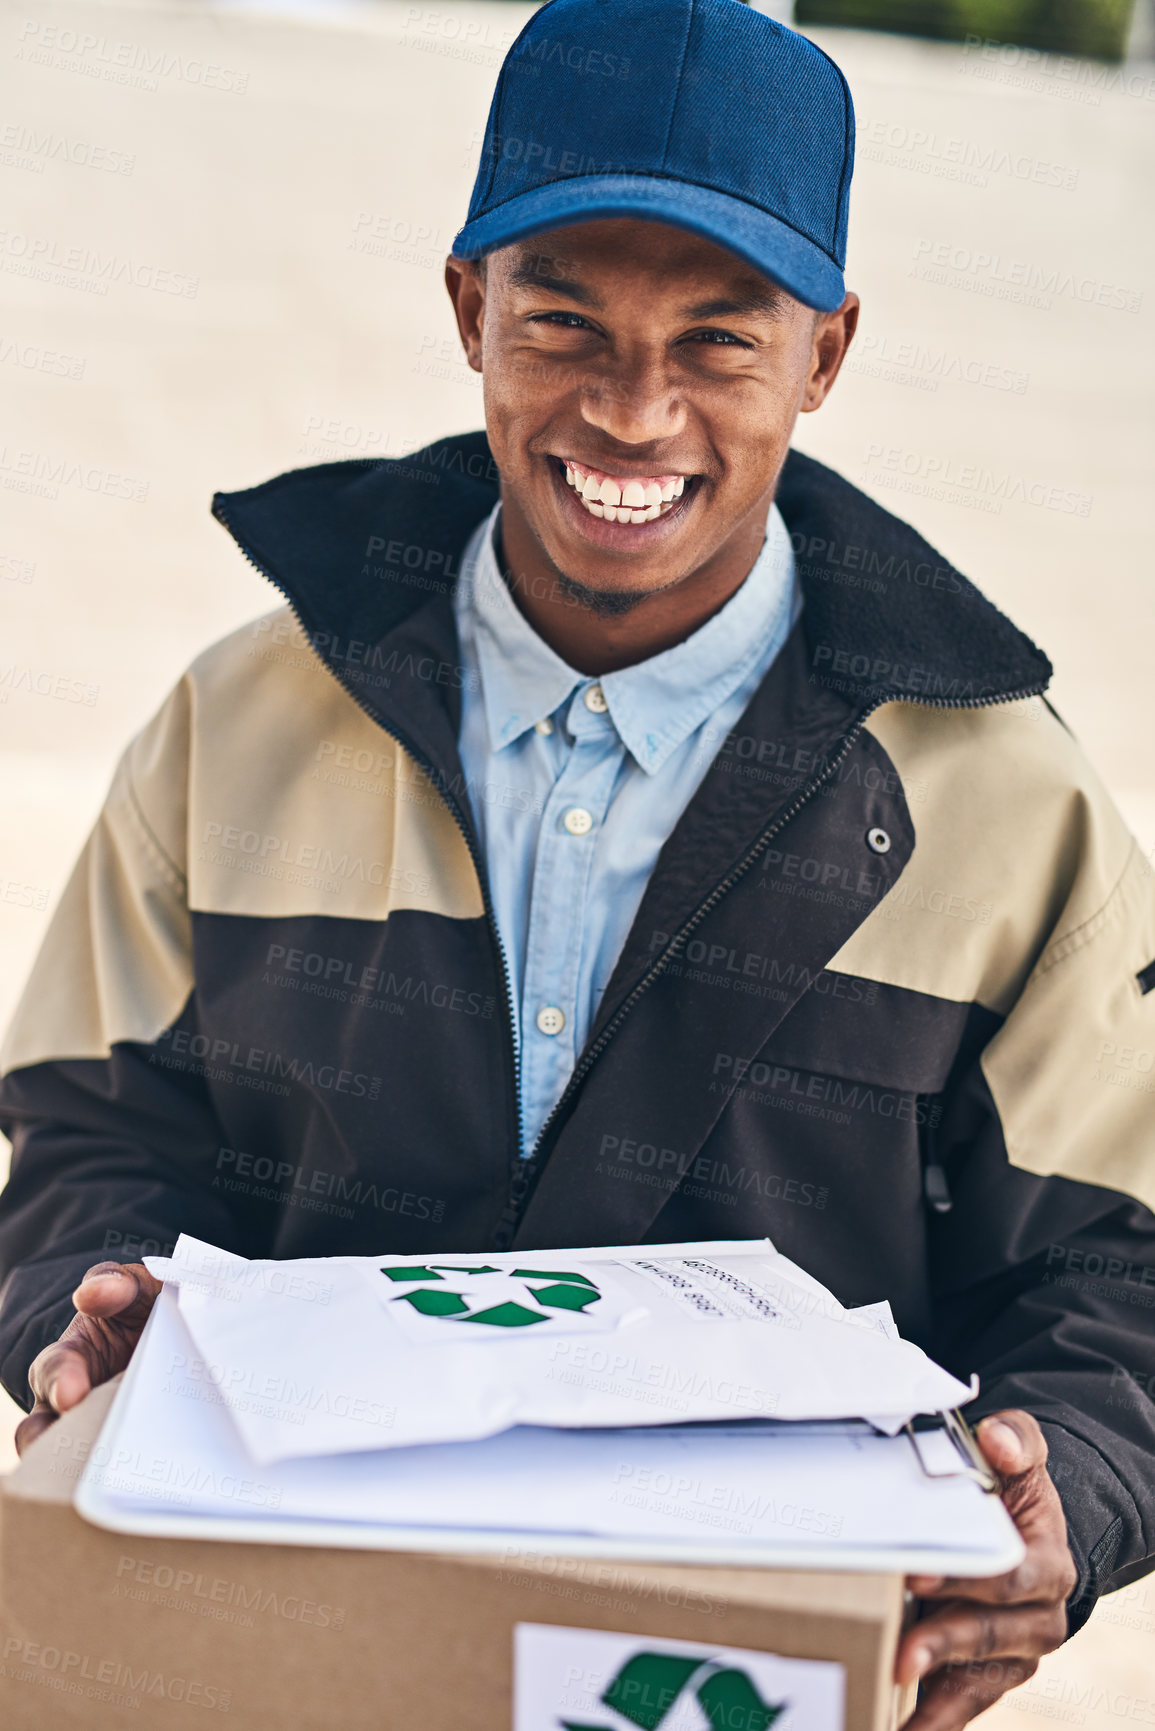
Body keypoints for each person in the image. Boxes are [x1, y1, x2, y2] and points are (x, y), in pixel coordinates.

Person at [1, 0, 1152, 1722]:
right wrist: (86, 1314)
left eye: (719, 340)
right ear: (469, 311)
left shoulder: (1008, 808)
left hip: (724, 1674)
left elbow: (1119, 1271)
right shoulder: (235, 724)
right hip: (278, 1664)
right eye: (563, 322)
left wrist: (1066, 1478)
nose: (632, 412)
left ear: (825, 353)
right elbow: (93, 1122)